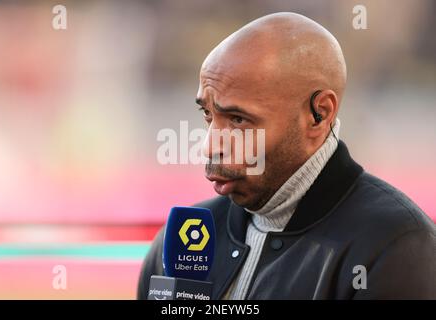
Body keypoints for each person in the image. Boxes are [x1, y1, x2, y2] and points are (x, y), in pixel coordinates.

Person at [138, 12, 436, 299]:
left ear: (319, 114)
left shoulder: (395, 245)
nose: (210, 146)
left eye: (239, 120)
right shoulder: (181, 239)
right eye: (208, 114)